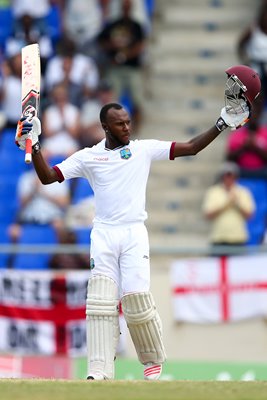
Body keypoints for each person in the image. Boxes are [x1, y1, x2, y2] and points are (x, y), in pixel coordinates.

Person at [14, 65, 258, 381]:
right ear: (105, 127)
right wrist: (33, 146)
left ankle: (152, 364)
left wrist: (221, 124)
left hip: (133, 233)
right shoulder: (89, 157)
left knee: (136, 299)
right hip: (103, 233)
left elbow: (191, 148)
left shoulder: (142, 149)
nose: (127, 128)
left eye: (128, 122)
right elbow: (48, 178)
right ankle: (99, 369)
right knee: (100, 301)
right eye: (120, 124)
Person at [97, 0, 147, 131]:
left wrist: (124, 56)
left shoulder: (136, 26)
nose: (126, 9)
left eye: (128, 7)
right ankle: (112, 128)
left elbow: (140, 46)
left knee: (137, 99)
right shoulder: (114, 24)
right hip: (115, 68)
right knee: (112, 100)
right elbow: (101, 41)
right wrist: (113, 46)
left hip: (132, 68)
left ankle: (137, 129)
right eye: (124, 7)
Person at [202, 161, 255, 254]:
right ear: (222, 176)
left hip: (238, 239)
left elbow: (249, 215)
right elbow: (208, 215)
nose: (229, 178)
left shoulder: (243, 192)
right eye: (227, 175)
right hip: (218, 239)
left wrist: (237, 203)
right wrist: (226, 203)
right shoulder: (213, 192)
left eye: (231, 175)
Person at [226, 95, 267, 178]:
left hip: (263, 173)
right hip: (241, 172)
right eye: (251, 114)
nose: (254, 117)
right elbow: (229, 158)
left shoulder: (265, 132)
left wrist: (256, 147)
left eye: (256, 113)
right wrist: (244, 147)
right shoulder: (238, 133)